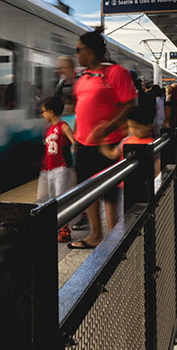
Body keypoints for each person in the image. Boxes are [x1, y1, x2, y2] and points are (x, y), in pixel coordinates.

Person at [68, 26, 137, 250]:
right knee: (88, 191)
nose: (76, 55)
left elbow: (130, 104)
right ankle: (95, 235)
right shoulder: (84, 78)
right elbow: (80, 109)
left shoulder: (116, 73)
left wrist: (109, 127)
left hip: (107, 143)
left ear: (92, 51)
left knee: (108, 191)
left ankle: (114, 236)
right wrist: (76, 140)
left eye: (79, 50)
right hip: (84, 143)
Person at [36, 96, 76, 242]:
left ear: (51, 112)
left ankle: (65, 229)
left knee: (60, 198)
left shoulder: (63, 126)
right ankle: (57, 226)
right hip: (50, 169)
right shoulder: (49, 129)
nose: (43, 115)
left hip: (62, 168)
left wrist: (73, 157)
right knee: (52, 198)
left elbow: (74, 142)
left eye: (44, 111)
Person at [99, 104, 160, 181]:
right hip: (124, 181)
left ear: (149, 126)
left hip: (144, 182)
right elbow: (112, 154)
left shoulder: (153, 143)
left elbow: (158, 164)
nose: (132, 130)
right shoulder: (126, 140)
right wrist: (102, 142)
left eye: (136, 127)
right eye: (130, 126)